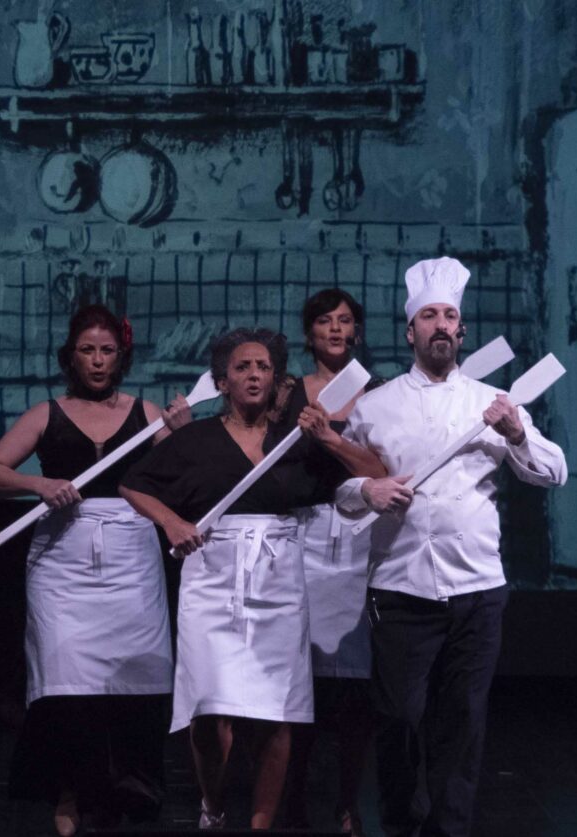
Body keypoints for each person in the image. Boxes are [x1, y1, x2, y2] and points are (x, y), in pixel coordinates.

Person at [337, 257, 568, 837]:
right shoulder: (374, 406)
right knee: (398, 717)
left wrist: (516, 433)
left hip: (476, 589)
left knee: (462, 723)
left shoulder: (493, 402)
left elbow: (554, 472)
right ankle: (400, 822)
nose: (440, 325)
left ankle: (449, 829)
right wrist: (367, 489)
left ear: (461, 331)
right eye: (429, 316)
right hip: (400, 587)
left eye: (449, 316)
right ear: (410, 330)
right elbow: (339, 493)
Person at [120, 327, 383, 830]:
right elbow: (133, 484)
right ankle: (214, 805)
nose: (255, 374)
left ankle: (260, 825)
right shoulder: (195, 439)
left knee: (277, 712)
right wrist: (172, 522)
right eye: (242, 367)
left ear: (277, 380)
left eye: (264, 367)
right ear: (222, 382)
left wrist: (328, 436)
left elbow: (372, 471)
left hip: (279, 581)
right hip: (212, 579)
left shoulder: (296, 442)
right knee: (207, 711)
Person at [0, 305, 188, 837]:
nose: (96, 360)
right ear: (70, 356)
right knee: (63, 680)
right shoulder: (46, 413)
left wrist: (181, 435)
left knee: (132, 680)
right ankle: (68, 789)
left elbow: (187, 480)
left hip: (131, 558)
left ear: (121, 356)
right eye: (87, 350)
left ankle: (120, 794)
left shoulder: (147, 413)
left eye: (106, 351)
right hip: (62, 559)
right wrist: (38, 484)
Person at [276, 289, 385, 836]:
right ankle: (292, 800)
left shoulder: (381, 393)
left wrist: (328, 438)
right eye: (325, 320)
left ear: (357, 331)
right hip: (303, 537)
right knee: (300, 681)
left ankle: (347, 802)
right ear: (310, 332)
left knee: (355, 687)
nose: (336, 329)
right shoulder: (287, 392)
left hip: (362, 538)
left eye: (345, 320)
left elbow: (384, 468)